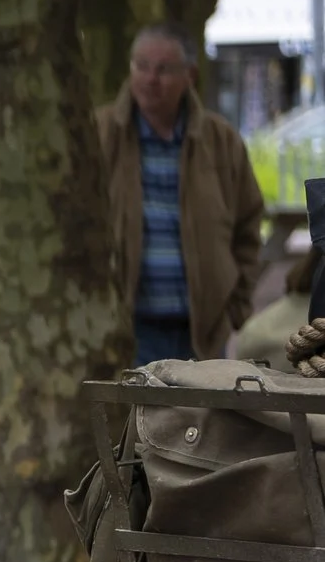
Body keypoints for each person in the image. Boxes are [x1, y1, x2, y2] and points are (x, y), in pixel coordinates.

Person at [95, 22, 265, 365]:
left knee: (204, 419)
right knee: (136, 419)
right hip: (128, 327)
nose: (150, 79)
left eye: (163, 69)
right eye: (140, 66)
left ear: (190, 75)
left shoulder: (221, 141)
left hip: (202, 329)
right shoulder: (100, 134)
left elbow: (249, 223)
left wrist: (237, 304)